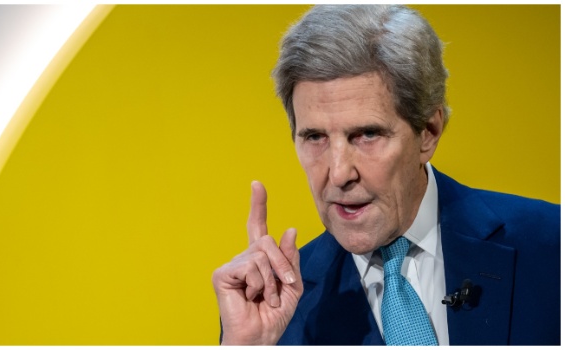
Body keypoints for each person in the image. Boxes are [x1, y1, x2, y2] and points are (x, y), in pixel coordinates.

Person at [211, 4, 560, 346]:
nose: (338, 173)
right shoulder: (274, 311)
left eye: (367, 134)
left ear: (428, 132)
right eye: (315, 137)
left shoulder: (550, 243)